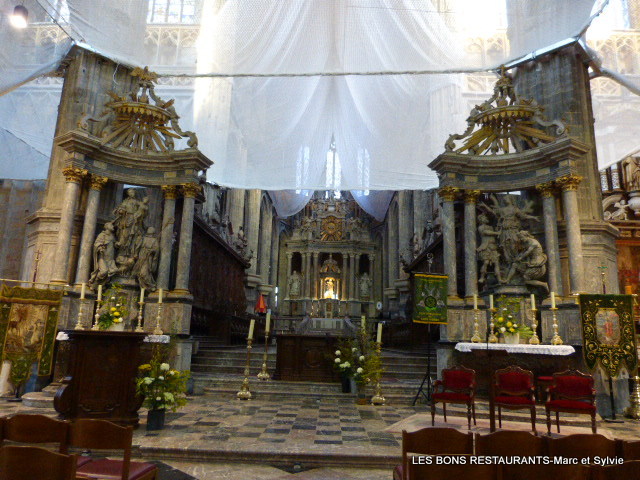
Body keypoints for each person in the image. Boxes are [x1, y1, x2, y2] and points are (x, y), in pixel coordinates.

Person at [89, 222, 118, 287]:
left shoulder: (112, 236)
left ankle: (102, 284)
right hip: (103, 257)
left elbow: (114, 245)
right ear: (107, 226)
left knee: (114, 270)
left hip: (110, 258)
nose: (113, 226)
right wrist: (100, 248)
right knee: (104, 271)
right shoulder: (102, 235)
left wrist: (117, 244)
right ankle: (95, 282)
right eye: (111, 225)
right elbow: (97, 243)